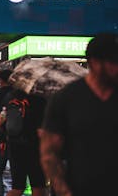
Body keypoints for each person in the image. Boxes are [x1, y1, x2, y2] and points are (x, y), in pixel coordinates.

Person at [40, 33, 118, 196]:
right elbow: (49, 153)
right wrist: (64, 191)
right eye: (113, 62)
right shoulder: (67, 98)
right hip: (80, 188)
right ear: (95, 62)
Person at [0, 89, 47, 196]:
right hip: (34, 147)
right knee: (38, 186)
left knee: (17, 187)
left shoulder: (9, 97)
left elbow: (1, 123)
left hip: (14, 146)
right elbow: (42, 129)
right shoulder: (39, 100)